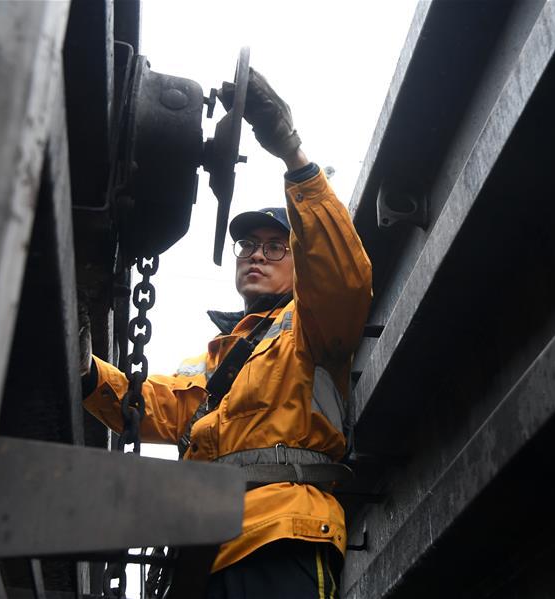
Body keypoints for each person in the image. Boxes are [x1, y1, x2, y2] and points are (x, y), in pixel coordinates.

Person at [80, 68, 373, 598]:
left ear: (298, 262)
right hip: (202, 553)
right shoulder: (219, 361)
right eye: (247, 246)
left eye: (274, 245)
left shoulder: (311, 328)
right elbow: (150, 404)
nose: (257, 254)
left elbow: (343, 273)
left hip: (283, 535)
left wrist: (290, 151)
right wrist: (84, 366)